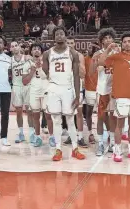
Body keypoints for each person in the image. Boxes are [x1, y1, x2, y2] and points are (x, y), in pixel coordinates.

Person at [98, 31, 130, 162]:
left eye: (129, 41)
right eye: (124, 41)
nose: (127, 43)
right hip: (120, 97)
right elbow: (101, 62)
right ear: (122, 44)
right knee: (120, 125)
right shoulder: (116, 57)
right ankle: (117, 151)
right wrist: (108, 48)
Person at [43, 26, 85, 161]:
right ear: (53, 37)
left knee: (70, 120)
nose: (59, 36)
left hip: (68, 88)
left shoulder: (72, 53)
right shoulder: (47, 54)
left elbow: (77, 76)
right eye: (57, 34)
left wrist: (78, 95)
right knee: (56, 120)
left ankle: (74, 148)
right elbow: (46, 72)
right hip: (54, 89)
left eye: (62, 33)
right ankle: (58, 149)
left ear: (65, 36)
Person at [91, 28, 117, 156]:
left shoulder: (118, 52)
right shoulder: (98, 54)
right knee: (101, 117)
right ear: (101, 41)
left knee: (113, 117)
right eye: (105, 38)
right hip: (102, 89)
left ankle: (112, 142)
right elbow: (92, 71)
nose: (108, 40)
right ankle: (100, 143)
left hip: (115, 89)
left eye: (110, 38)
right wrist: (96, 64)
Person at [22, 43, 55, 147]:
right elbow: (24, 82)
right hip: (34, 92)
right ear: (31, 52)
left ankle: (52, 137)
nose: (36, 50)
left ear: (41, 51)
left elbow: (47, 77)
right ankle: (37, 137)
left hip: (45, 91)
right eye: (34, 49)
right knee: (35, 116)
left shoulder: (46, 62)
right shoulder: (27, 64)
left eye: (38, 49)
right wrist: (32, 70)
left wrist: (40, 68)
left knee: (48, 116)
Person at [65, 36, 87, 148]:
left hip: (77, 87)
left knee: (79, 112)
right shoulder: (62, 56)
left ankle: (80, 136)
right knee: (68, 113)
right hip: (66, 86)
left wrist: (77, 63)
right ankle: (71, 134)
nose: (69, 44)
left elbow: (83, 73)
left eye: (71, 43)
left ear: (75, 44)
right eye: (67, 42)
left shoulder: (79, 56)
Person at [10, 38, 32, 143]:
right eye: (12, 46)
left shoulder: (27, 57)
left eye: (16, 45)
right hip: (16, 86)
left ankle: (32, 134)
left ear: (19, 47)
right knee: (19, 112)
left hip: (27, 85)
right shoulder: (10, 60)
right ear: (10, 49)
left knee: (29, 111)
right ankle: (21, 133)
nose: (14, 47)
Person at [84, 43, 99, 144]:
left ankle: (105, 136)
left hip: (101, 90)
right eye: (88, 47)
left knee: (103, 115)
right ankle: (90, 134)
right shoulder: (85, 59)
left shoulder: (102, 59)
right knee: (88, 113)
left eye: (91, 47)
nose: (89, 49)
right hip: (89, 90)